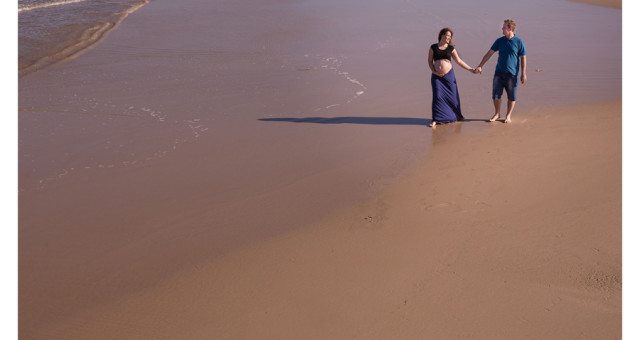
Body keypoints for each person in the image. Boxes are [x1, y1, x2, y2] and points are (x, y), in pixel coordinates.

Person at [473, 19, 527, 123]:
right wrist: (480, 66)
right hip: (499, 73)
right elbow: (489, 53)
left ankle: (508, 115)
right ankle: (497, 114)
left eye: (504, 27)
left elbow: (523, 58)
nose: (502, 29)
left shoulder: (519, 42)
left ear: (510, 29)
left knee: (512, 96)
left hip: (512, 74)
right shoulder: (499, 41)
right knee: (496, 95)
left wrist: (523, 73)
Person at [428, 28, 476, 128]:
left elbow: (459, 61)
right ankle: (435, 119)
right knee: (437, 96)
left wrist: (470, 69)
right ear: (442, 35)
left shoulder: (451, 49)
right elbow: (429, 61)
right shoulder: (433, 47)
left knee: (453, 96)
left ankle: (456, 116)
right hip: (437, 77)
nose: (448, 38)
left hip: (449, 76)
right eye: (447, 35)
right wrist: (434, 71)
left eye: (450, 36)